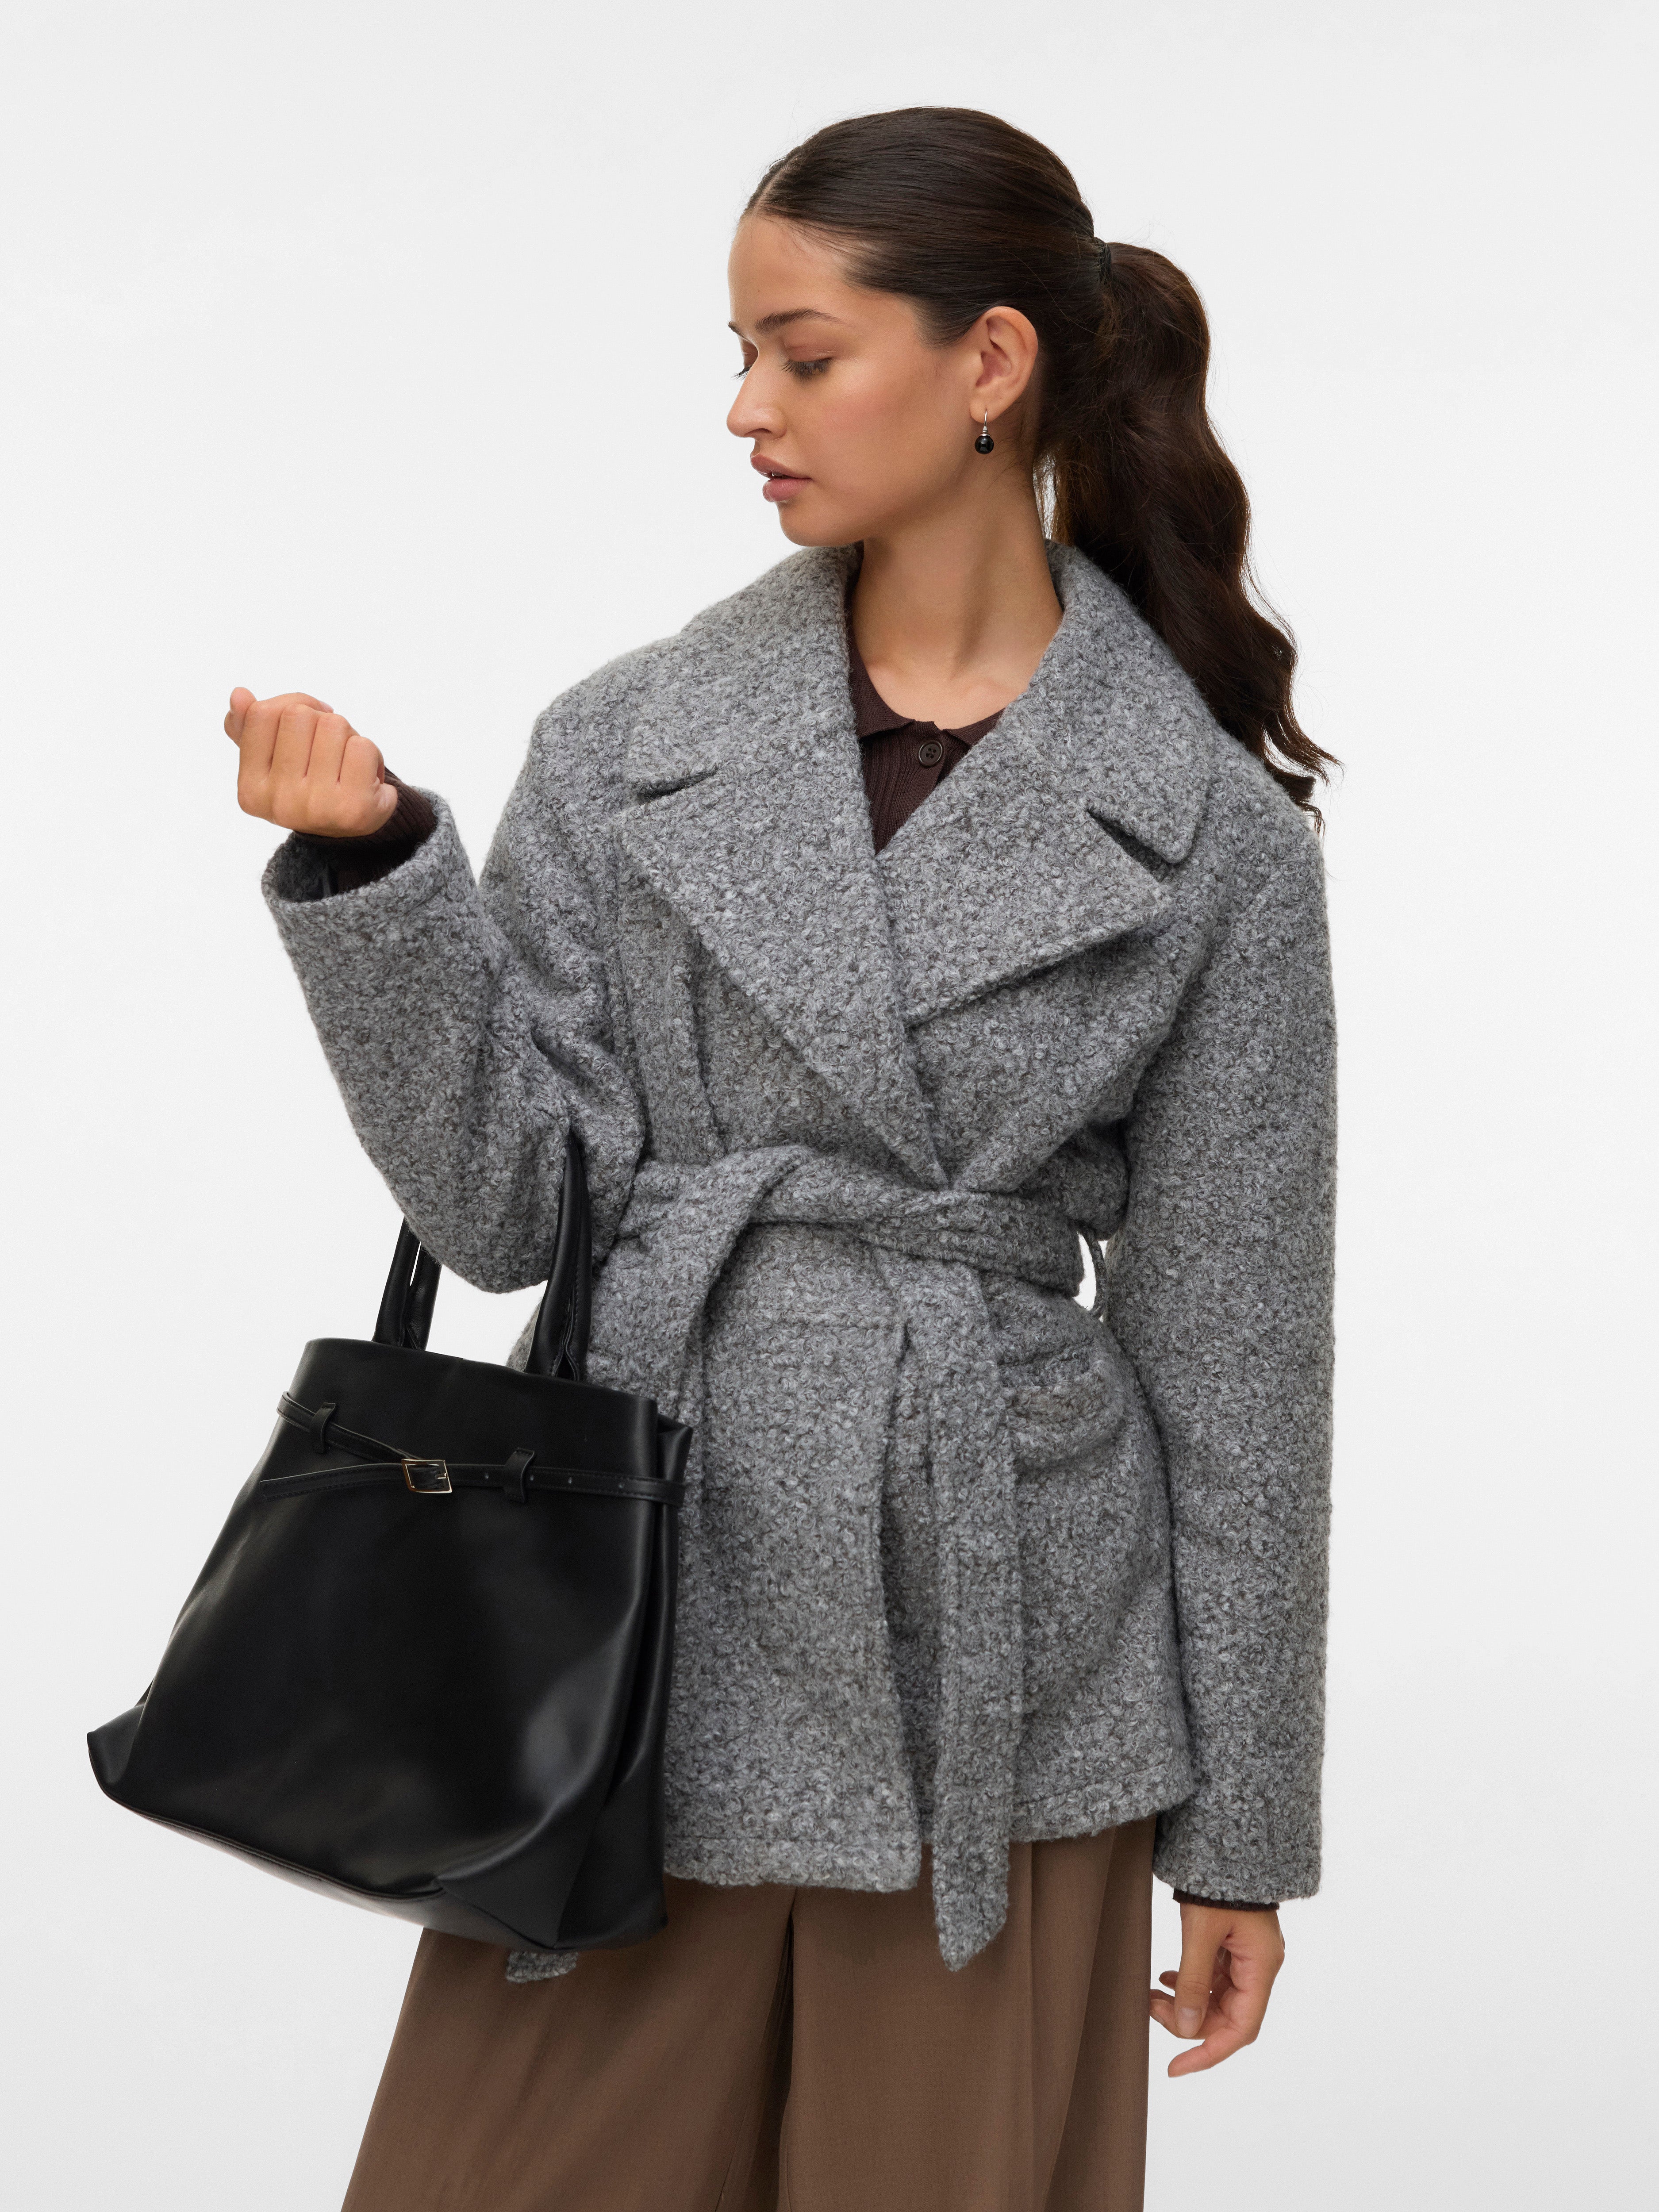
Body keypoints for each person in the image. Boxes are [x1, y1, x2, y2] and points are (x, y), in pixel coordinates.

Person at [226, 106, 1336, 2212]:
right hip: (634, 1614)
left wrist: (1244, 1832)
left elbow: (1239, 1360)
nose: (746, 408)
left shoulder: (1208, 839)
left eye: (802, 354)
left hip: (1004, 1665)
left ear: (988, 363)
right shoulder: (626, 740)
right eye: (739, 353)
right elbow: (505, 1209)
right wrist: (377, 882)